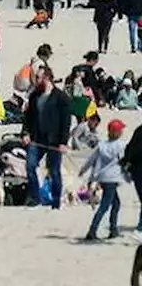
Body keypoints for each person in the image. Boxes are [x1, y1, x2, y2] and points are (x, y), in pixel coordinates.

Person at [23, 66, 71, 208]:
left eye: (38, 77)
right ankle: (35, 197)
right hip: (36, 139)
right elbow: (28, 117)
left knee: (54, 171)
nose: (35, 80)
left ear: (47, 78)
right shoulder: (34, 96)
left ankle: (56, 201)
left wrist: (63, 142)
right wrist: (25, 133)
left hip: (54, 141)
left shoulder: (61, 97)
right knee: (30, 166)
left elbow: (66, 121)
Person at [81, 119, 127, 240]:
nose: (122, 131)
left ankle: (113, 229)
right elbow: (126, 160)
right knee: (104, 206)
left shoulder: (102, 145)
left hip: (102, 177)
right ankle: (92, 230)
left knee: (116, 204)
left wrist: (83, 170)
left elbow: (91, 160)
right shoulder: (121, 145)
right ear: (116, 132)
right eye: (120, 130)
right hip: (112, 179)